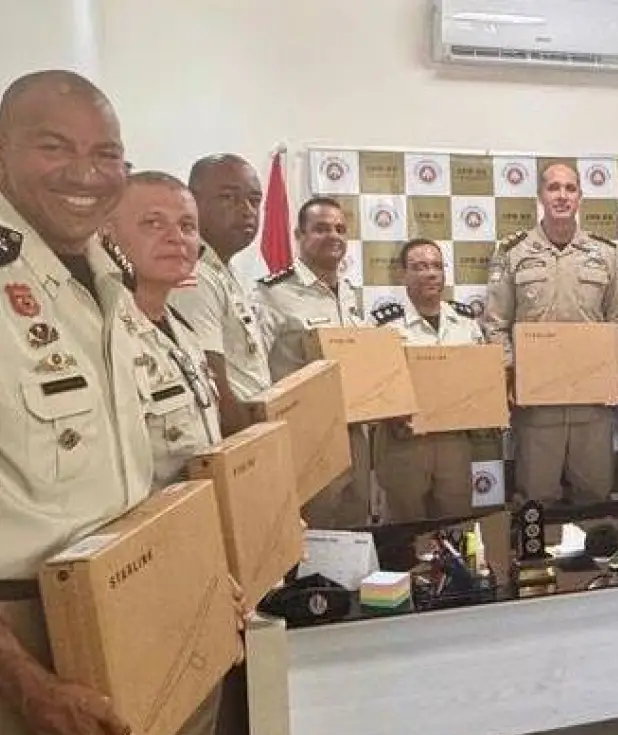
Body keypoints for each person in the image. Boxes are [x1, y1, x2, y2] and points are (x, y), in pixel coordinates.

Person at [0, 69, 155, 735]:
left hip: (113, 614)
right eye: (54, 147)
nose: (86, 173)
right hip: (20, 641)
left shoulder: (103, 270)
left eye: (107, 153)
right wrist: (26, 683)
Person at [101, 171, 255, 735]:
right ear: (109, 237)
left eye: (186, 225)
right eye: (153, 222)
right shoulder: (106, 337)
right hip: (138, 567)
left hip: (196, 552)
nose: (177, 238)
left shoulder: (181, 335)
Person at [485, 163, 618, 504]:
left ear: (580, 197)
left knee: (595, 497)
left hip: (592, 403)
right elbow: (496, 323)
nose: (562, 195)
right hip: (537, 405)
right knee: (536, 501)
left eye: (570, 188)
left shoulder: (605, 253)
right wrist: (510, 373)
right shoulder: (512, 252)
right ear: (540, 196)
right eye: (553, 188)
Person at [257, 197, 371, 527]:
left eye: (340, 229)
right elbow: (255, 371)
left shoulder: (350, 294)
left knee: (356, 526)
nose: (333, 236)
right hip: (306, 436)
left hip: (355, 433)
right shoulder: (272, 295)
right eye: (321, 228)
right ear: (299, 235)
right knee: (316, 530)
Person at [374, 238, 485, 520]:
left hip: (454, 442)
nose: (431, 273)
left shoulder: (466, 322)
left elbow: (482, 380)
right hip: (404, 442)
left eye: (437, 266)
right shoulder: (383, 325)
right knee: (404, 528)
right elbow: (372, 386)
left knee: (456, 524)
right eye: (420, 267)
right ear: (403, 274)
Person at [169, 154, 271, 434]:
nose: (247, 210)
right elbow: (210, 382)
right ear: (192, 202)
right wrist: (254, 440)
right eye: (228, 198)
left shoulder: (224, 271)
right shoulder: (196, 275)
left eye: (255, 200)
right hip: (235, 439)